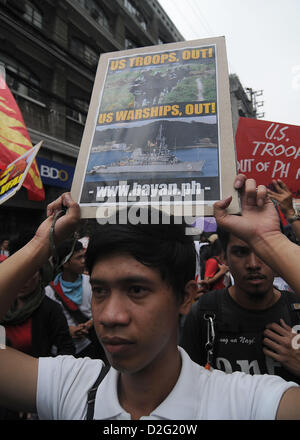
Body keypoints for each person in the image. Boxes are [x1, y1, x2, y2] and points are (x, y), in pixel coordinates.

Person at [0, 188, 299, 420]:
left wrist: (270, 240)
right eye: (100, 291)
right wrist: (42, 244)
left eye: (137, 290)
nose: (111, 316)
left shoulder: (244, 402)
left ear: (185, 297)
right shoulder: (72, 386)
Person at [180, 222, 300, 382]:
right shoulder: (204, 313)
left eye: (263, 251)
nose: (254, 264)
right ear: (223, 257)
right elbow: (187, 388)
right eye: (240, 252)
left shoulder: (296, 310)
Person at [45, 239, 106, 361]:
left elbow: (103, 308)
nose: (84, 261)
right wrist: (67, 330)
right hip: (64, 351)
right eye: (79, 258)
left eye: (84, 256)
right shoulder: (49, 291)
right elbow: (47, 324)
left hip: (91, 345)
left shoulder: (91, 282)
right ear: (65, 263)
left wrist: (89, 324)